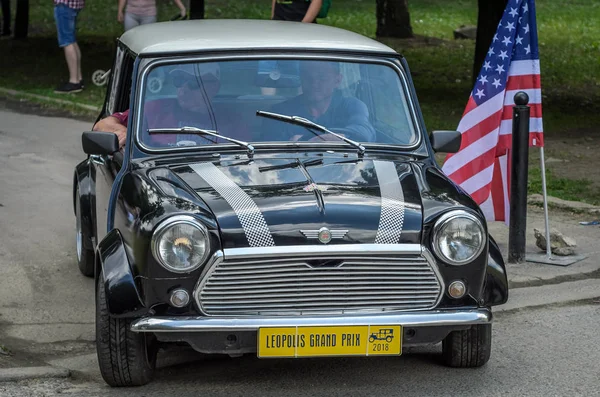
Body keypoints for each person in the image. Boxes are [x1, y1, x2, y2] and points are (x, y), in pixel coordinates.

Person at [94, 62, 247, 147]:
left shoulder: (231, 119)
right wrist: (124, 133)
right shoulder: (156, 108)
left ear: (214, 86)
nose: (183, 89)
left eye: (193, 83)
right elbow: (102, 125)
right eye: (179, 81)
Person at [261, 60, 376, 143]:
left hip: (345, 170)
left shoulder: (351, 106)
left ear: (337, 80)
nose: (314, 83)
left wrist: (310, 140)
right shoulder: (279, 112)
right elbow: (268, 150)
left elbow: (365, 132)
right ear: (301, 79)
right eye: (308, 77)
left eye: (322, 78)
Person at [54, 0, 84, 93]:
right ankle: (78, 78)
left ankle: (74, 81)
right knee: (72, 40)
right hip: (74, 4)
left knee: (67, 41)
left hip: (64, 4)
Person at [118, 0, 186, 32]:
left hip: (148, 15)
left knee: (146, 40)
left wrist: (182, 8)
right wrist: (120, 11)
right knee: (130, 40)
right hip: (131, 14)